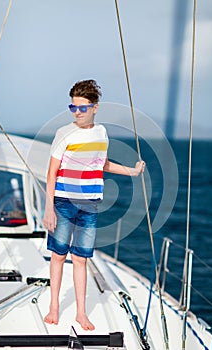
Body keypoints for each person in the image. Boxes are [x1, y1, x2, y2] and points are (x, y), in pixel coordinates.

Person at [43, 79, 145, 330]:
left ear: (95, 108)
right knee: (58, 256)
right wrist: (49, 209)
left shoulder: (101, 133)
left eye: (82, 107)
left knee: (81, 259)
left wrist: (131, 172)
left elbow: (102, 164)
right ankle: (54, 306)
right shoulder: (64, 133)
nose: (77, 112)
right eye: (73, 107)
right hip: (64, 202)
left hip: (90, 204)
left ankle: (80, 313)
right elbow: (51, 173)